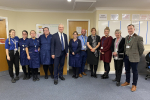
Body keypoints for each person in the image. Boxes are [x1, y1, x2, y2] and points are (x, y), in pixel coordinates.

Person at [121, 24, 144, 92]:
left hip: (134, 57)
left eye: (131, 28)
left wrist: (138, 56)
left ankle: (134, 85)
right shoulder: (126, 37)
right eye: (128, 29)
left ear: (134, 29)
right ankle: (127, 81)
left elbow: (141, 49)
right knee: (127, 70)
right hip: (126, 57)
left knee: (134, 71)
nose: (130, 30)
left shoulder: (138, 38)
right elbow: (125, 47)